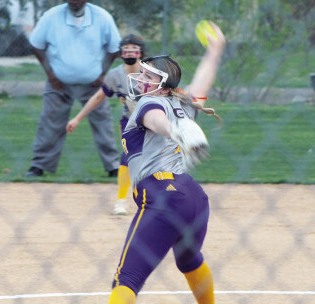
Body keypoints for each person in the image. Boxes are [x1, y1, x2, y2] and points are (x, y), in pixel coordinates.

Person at [108, 22, 226, 304]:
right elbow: (202, 82)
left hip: (162, 197)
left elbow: (155, 120)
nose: (140, 78)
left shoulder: (149, 103)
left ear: (162, 86)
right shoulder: (183, 104)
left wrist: (174, 131)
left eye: (148, 77)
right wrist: (215, 50)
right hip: (193, 198)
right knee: (189, 260)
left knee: (126, 279)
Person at [25, 0, 121, 178]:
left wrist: (103, 75)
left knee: (103, 123)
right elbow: (36, 44)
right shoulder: (51, 17)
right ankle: (38, 166)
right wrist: (51, 75)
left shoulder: (102, 17)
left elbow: (114, 47)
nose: (74, 2)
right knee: (50, 122)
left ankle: (113, 167)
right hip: (59, 83)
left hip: (93, 84)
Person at [66, 34, 146, 215]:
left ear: (141, 51)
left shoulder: (151, 72)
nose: (129, 52)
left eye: (134, 48)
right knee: (128, 157)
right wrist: (77, 118)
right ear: (121, 53)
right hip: (130, 123)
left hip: (155, 120)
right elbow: (99, 97)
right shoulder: (115, 75)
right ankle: (121, 201)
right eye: (125, 49)